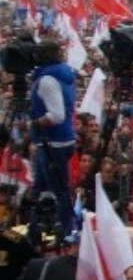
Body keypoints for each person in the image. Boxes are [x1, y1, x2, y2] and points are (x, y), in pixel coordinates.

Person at [29, 39, 77, 234]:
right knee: (40, 189)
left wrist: (32, 124)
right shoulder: (62, 74)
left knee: (59, 191)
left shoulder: (48, 80)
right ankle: (37, 231)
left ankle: (65, 231)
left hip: (53, 142)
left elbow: (56, 115)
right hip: (54, 141)